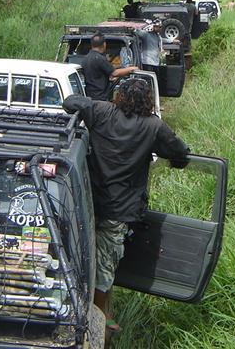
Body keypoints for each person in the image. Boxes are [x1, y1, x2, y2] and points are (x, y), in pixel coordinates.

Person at [62, 79, 189, 332]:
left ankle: (75, 307)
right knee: (105, 265)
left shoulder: (101, 111)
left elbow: (70, 102)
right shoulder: (153, 126)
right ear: (148, 100)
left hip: (86, 203)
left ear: (118, 97)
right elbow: (180, 152)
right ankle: (100, 320)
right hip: (119, 211)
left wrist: (97, 105)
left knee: (74, 254)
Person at [81, 33, 137, 100]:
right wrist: (131, 69)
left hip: (89, 96)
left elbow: (96, 74)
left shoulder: (86, 58)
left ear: (92, 44)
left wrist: (108, 77)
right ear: (104, 44)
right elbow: (115, 73)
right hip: (100, 97)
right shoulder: (99, 58)